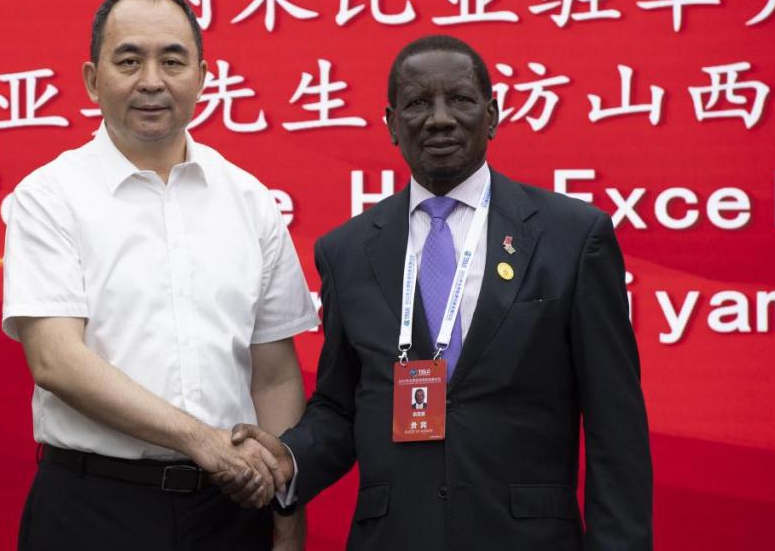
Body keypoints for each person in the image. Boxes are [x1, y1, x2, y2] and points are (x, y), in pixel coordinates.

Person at [233, 35, 652, 549]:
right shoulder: (347, 252)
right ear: (392, 124)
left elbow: (616, 422)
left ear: (492, 116)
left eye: (460, 99)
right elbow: (342, 407)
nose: (439, 119)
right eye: (417, 104)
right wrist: (289, 458)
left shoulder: (572, 237)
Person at [2, 0, 315, 550]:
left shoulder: (249, 200)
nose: (151, 81)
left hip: (230, 513)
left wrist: (286, 513)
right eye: (129, 61)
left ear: (202, 77)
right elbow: (56, 360)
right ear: (93, 80)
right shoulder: (50, 196)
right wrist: (201, 441)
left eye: (172, 61)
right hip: (95, 507)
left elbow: (273, 374)